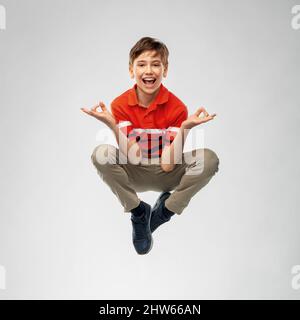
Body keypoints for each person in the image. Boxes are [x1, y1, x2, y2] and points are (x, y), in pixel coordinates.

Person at [81, 36, 219, 255]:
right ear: (131, 70)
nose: (149, 71)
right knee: (101, 153)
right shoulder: (120, 104)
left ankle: (164, 211)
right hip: (134, 171)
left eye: (156, 64)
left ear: (165, 70)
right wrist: (112, 126)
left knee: (208, 159)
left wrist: (185, 128)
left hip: (166, 171)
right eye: (142, 64)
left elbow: (166, 165)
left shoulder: (176, 107)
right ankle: (139, 212)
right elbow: (134, 157)